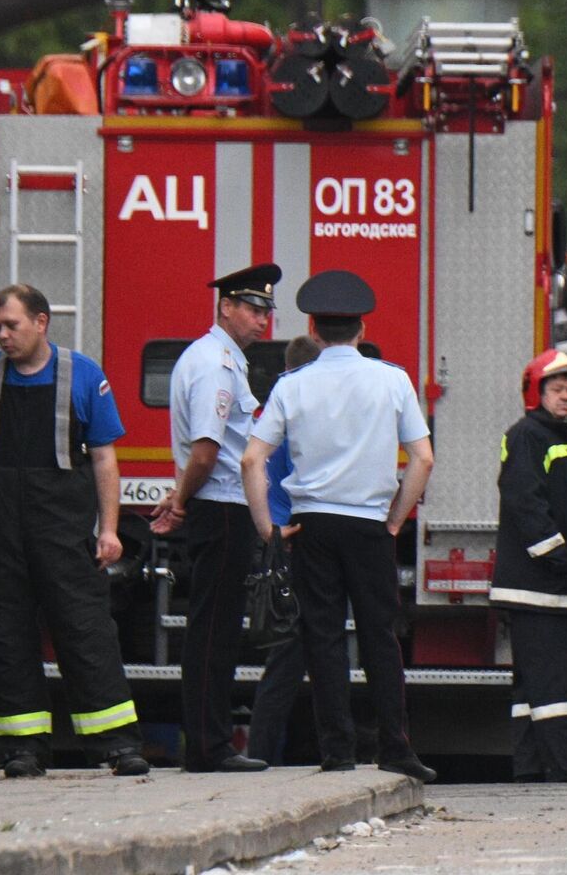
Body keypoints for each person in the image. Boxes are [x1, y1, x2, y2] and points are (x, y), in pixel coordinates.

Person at [0, 284, 148, 777]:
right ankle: (22, 748)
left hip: (61, 528)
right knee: (4, 632)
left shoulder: (82, 374)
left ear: (41, 323)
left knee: (85, 629)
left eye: (12, 325)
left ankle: (116, 745)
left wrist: (109, 530)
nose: (2, 335)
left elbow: (106, 458)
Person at [239, 270, 436, 782]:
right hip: (370, 525)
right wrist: (395, 520)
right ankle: (395, 746)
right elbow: (423, 459)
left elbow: (251, 460)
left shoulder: (291, 385)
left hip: (312, 526)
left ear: (314, 327)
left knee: (322, 637)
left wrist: (268, 528)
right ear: (362, 328)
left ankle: (338, 751)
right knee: (380, 637)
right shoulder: (393, 380)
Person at [151, 263, 278, 774]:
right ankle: (209, 747)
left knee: (217, 627)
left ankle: (210, 742)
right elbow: (205, 453)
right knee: (214, 631)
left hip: (220, 504)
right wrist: (181, 501)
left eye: (266, 311)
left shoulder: (218, 360)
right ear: (225, 306)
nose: (262, 320)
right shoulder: (217, 366)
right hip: (222, 507)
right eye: (252, 308)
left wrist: (179, 494)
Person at [490, 349, 567, 783]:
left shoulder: (562, 440)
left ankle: (530, 765)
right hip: (540, 585)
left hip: (552, 585)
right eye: (557, 389)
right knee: (558, 681)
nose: (566, 397)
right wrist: (559, 559)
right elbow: (525, 502)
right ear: (535, 392)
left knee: (531, 686)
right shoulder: (527, 436)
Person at [246, 334, 321, 766]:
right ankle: (320, 750)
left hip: (280, 540)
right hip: (301, 537)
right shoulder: (302, 409)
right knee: (304, 655)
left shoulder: (271, 408)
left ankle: (263, 752)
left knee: (286, 659)